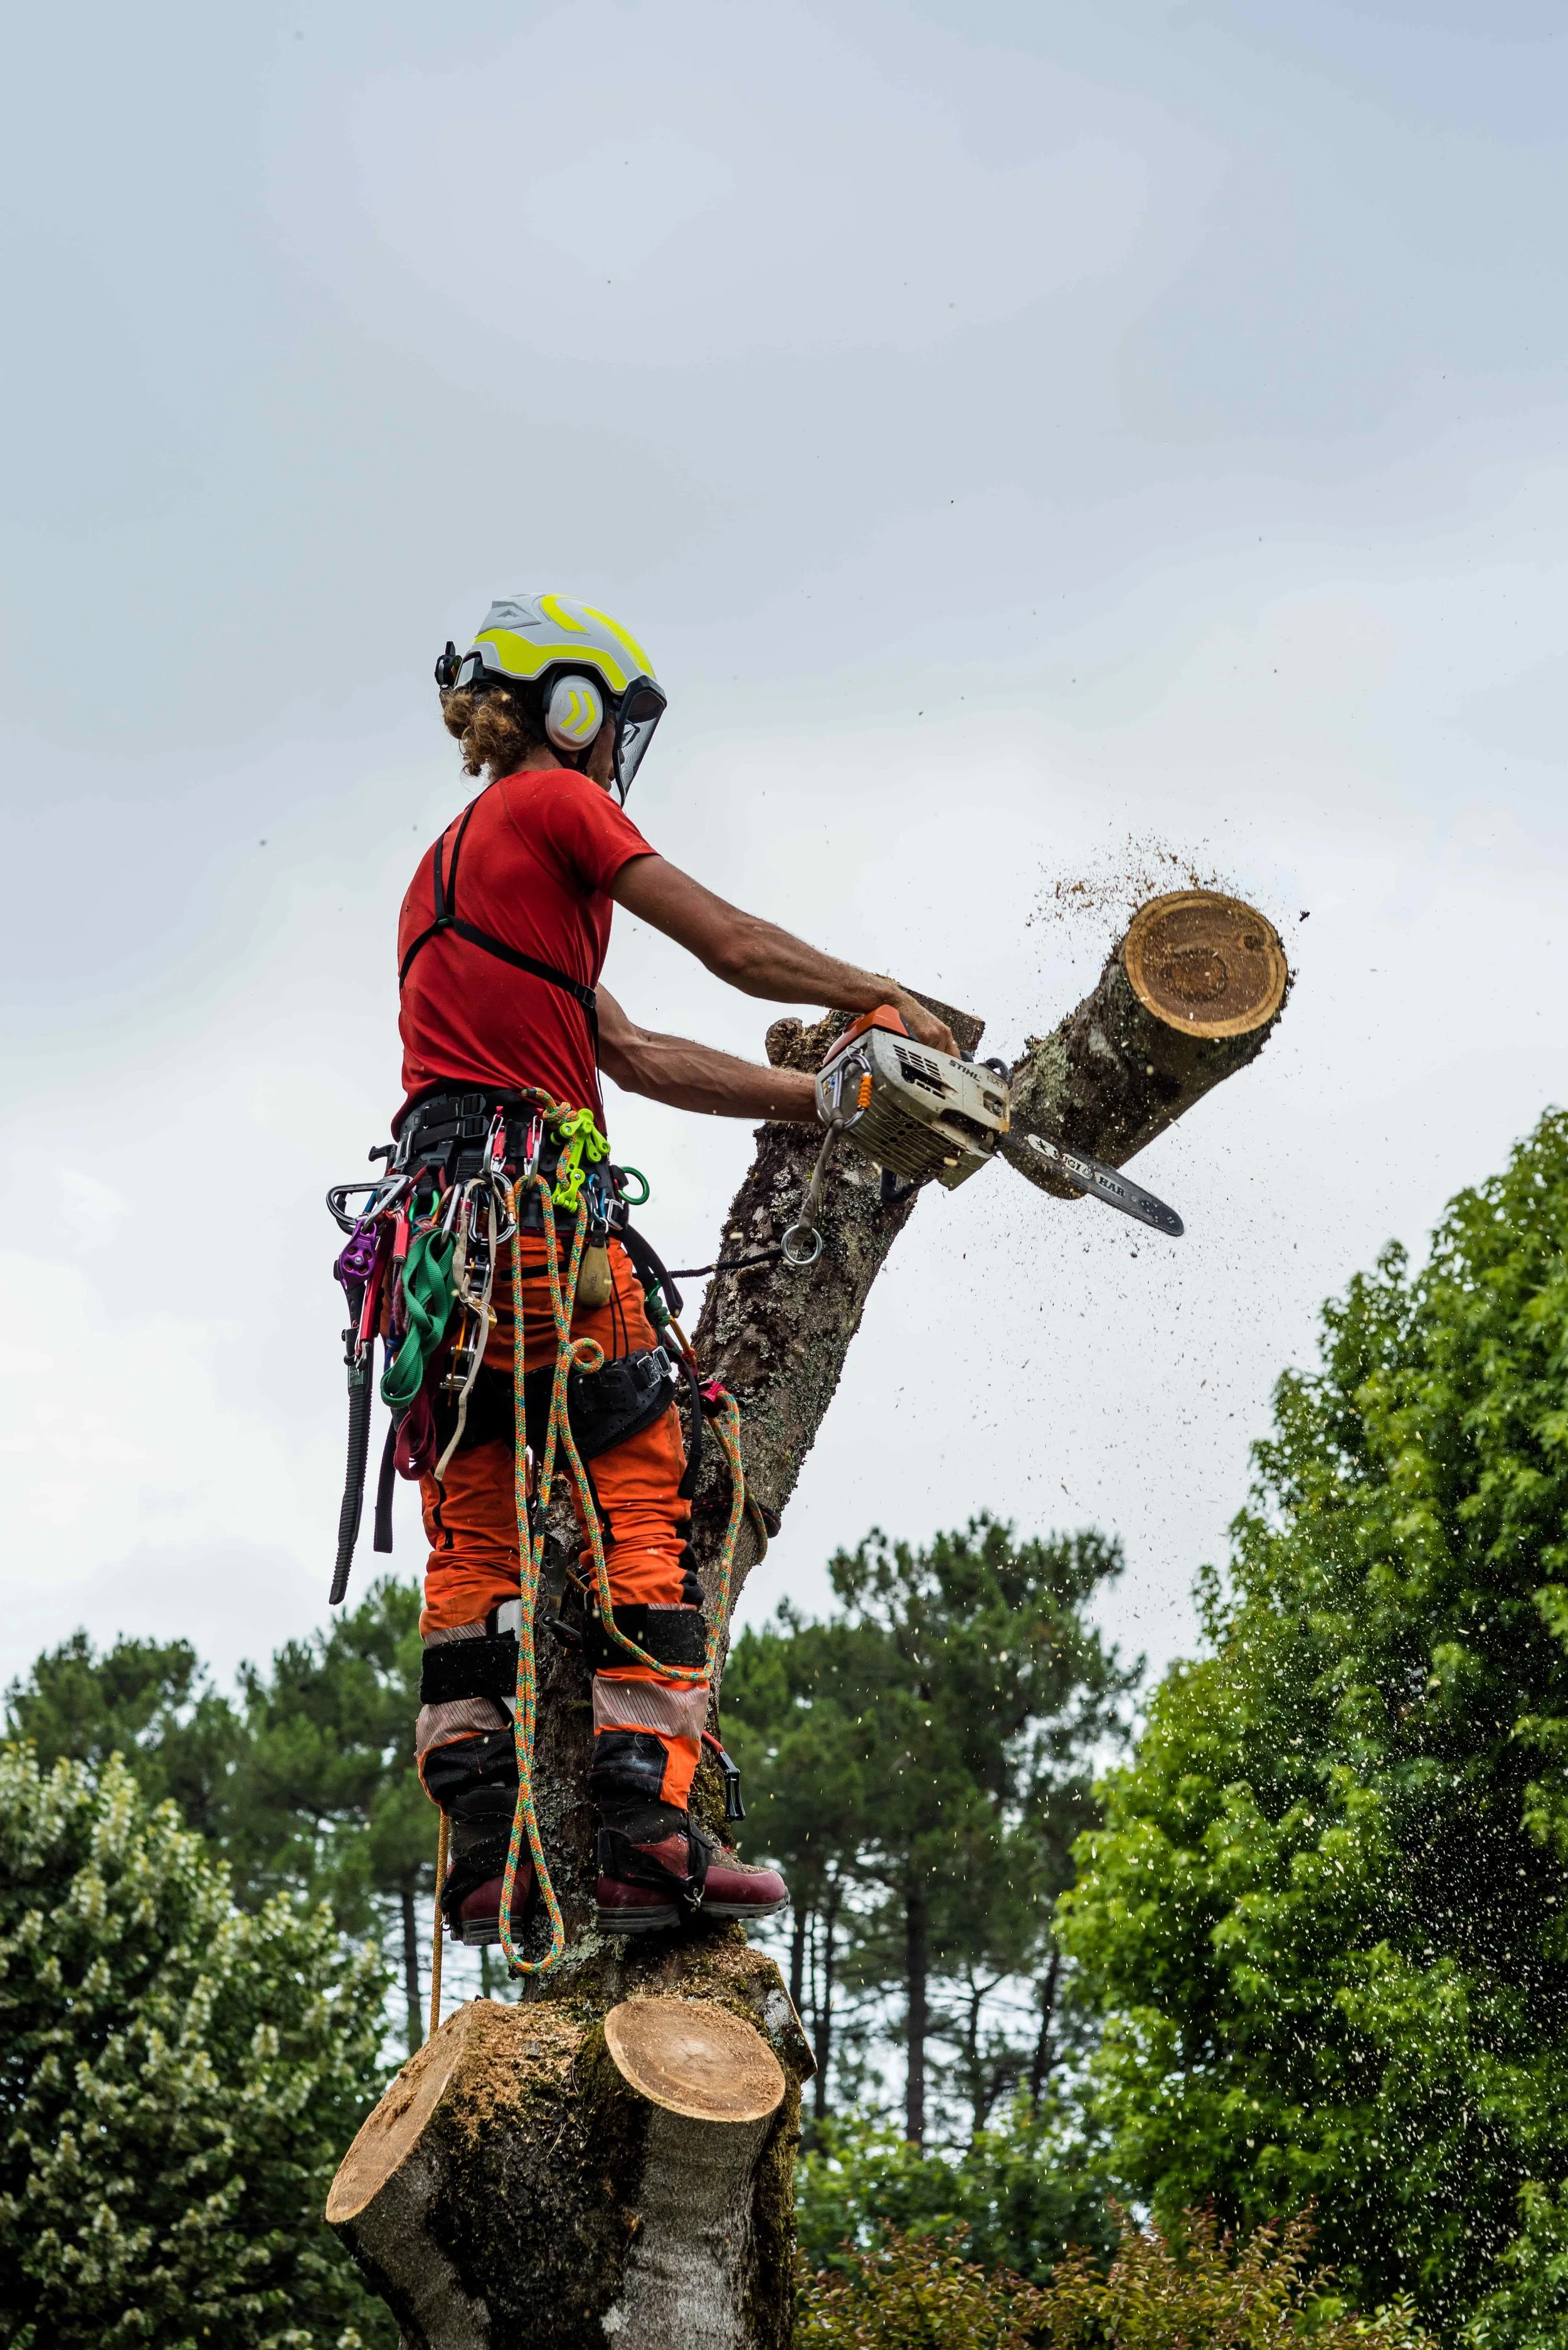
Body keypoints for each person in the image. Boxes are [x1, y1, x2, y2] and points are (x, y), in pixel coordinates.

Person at [398, 593, 956, 1943]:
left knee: (476, 1521)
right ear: (572, 705)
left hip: (436, 1251)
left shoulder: (450, 867)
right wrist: (884, 998)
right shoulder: (558, 810)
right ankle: (647, 1830)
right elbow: (732, 944)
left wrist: (817, 1095)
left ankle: (482, 1857)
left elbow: (635, 1057)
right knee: (646, 1464)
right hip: (538, 1217)